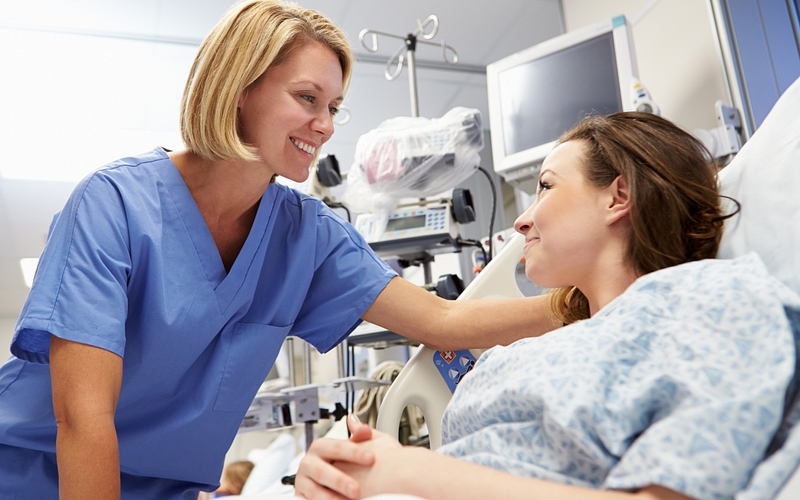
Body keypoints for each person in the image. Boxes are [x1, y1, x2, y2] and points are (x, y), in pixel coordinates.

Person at [0, 1, 555, 499]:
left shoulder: (306, 235)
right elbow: (84, 418)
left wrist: (593, 299)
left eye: (334, 106)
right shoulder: (114, 204)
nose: (326, 125)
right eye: (307, 98)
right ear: (239, 88)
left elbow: (443, 320)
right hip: (33, 474)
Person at [294, 112, 800, 500]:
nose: (522, 220)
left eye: (546, 186)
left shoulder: (711, 302)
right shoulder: (526, 354)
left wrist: (407, 471)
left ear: (617, 196)